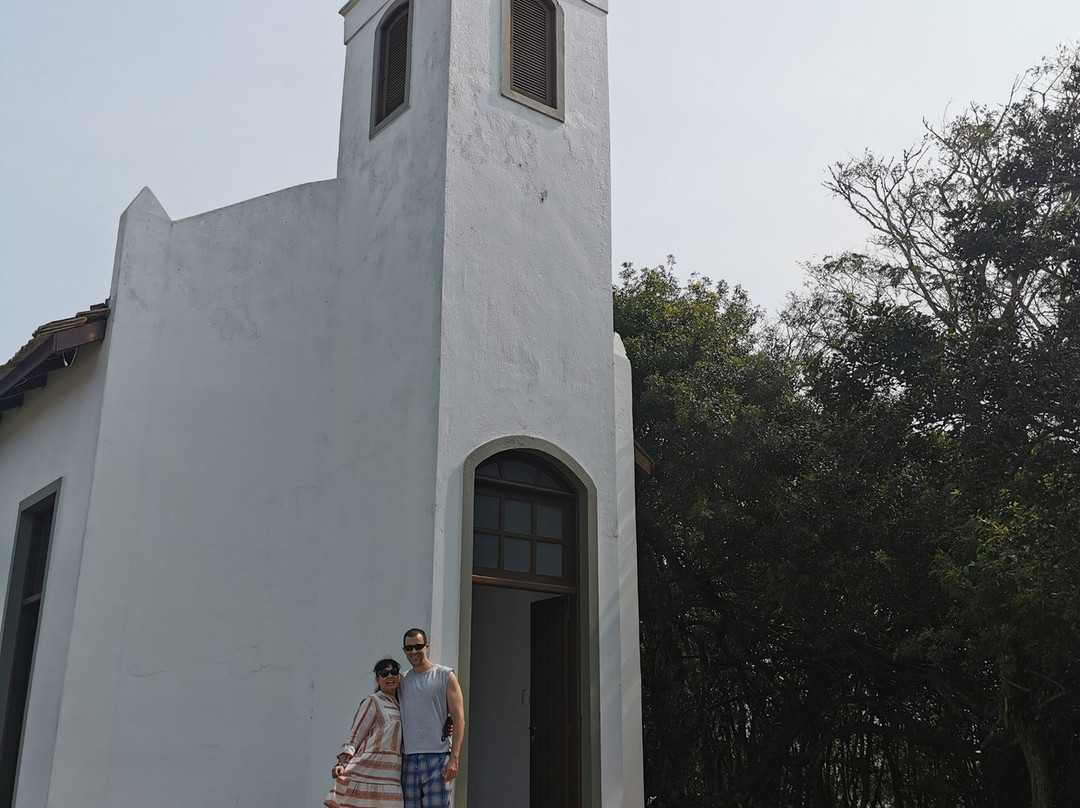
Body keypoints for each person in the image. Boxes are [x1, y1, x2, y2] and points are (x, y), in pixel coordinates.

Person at [398, 628, 465, 808]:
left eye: (418, 646)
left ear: (426, 647)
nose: (414, 651)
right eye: (409, 648)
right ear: (404, 650)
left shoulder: (445, 675)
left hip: (437, 758)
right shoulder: (401, 680)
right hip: (408, 759)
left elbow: (459, 719)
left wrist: (454, 759)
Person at [325, 658, 405, 808]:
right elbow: (356, 734)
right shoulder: (373, 701)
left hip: (391, 775)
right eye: (384, 673)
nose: (390, 676)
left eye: (394, 672)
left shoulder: (402, 704)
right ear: (377, 679)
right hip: (367, 769)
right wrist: (341, 762)